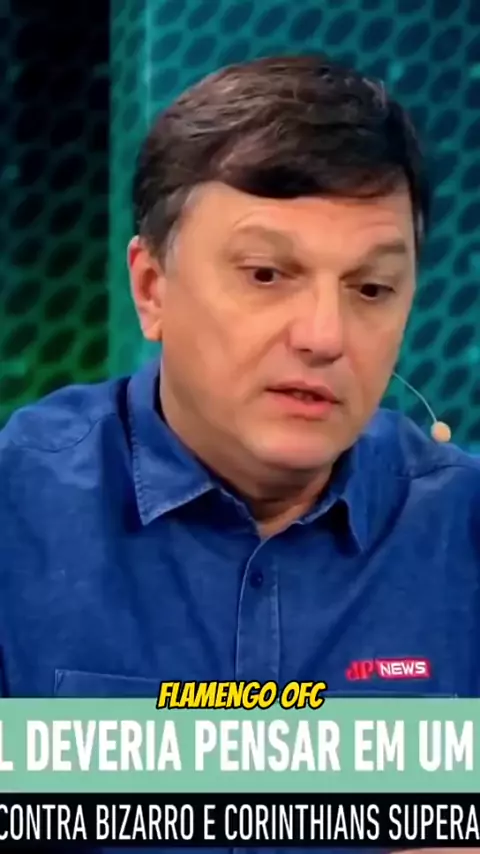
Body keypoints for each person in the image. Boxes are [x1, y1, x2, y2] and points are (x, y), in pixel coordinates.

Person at [1, 53, 479, 707]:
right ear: (151, 287)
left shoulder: (461, 534)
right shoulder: (19, 517)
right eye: (266, 275)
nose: (324, 337)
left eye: (371, 288)